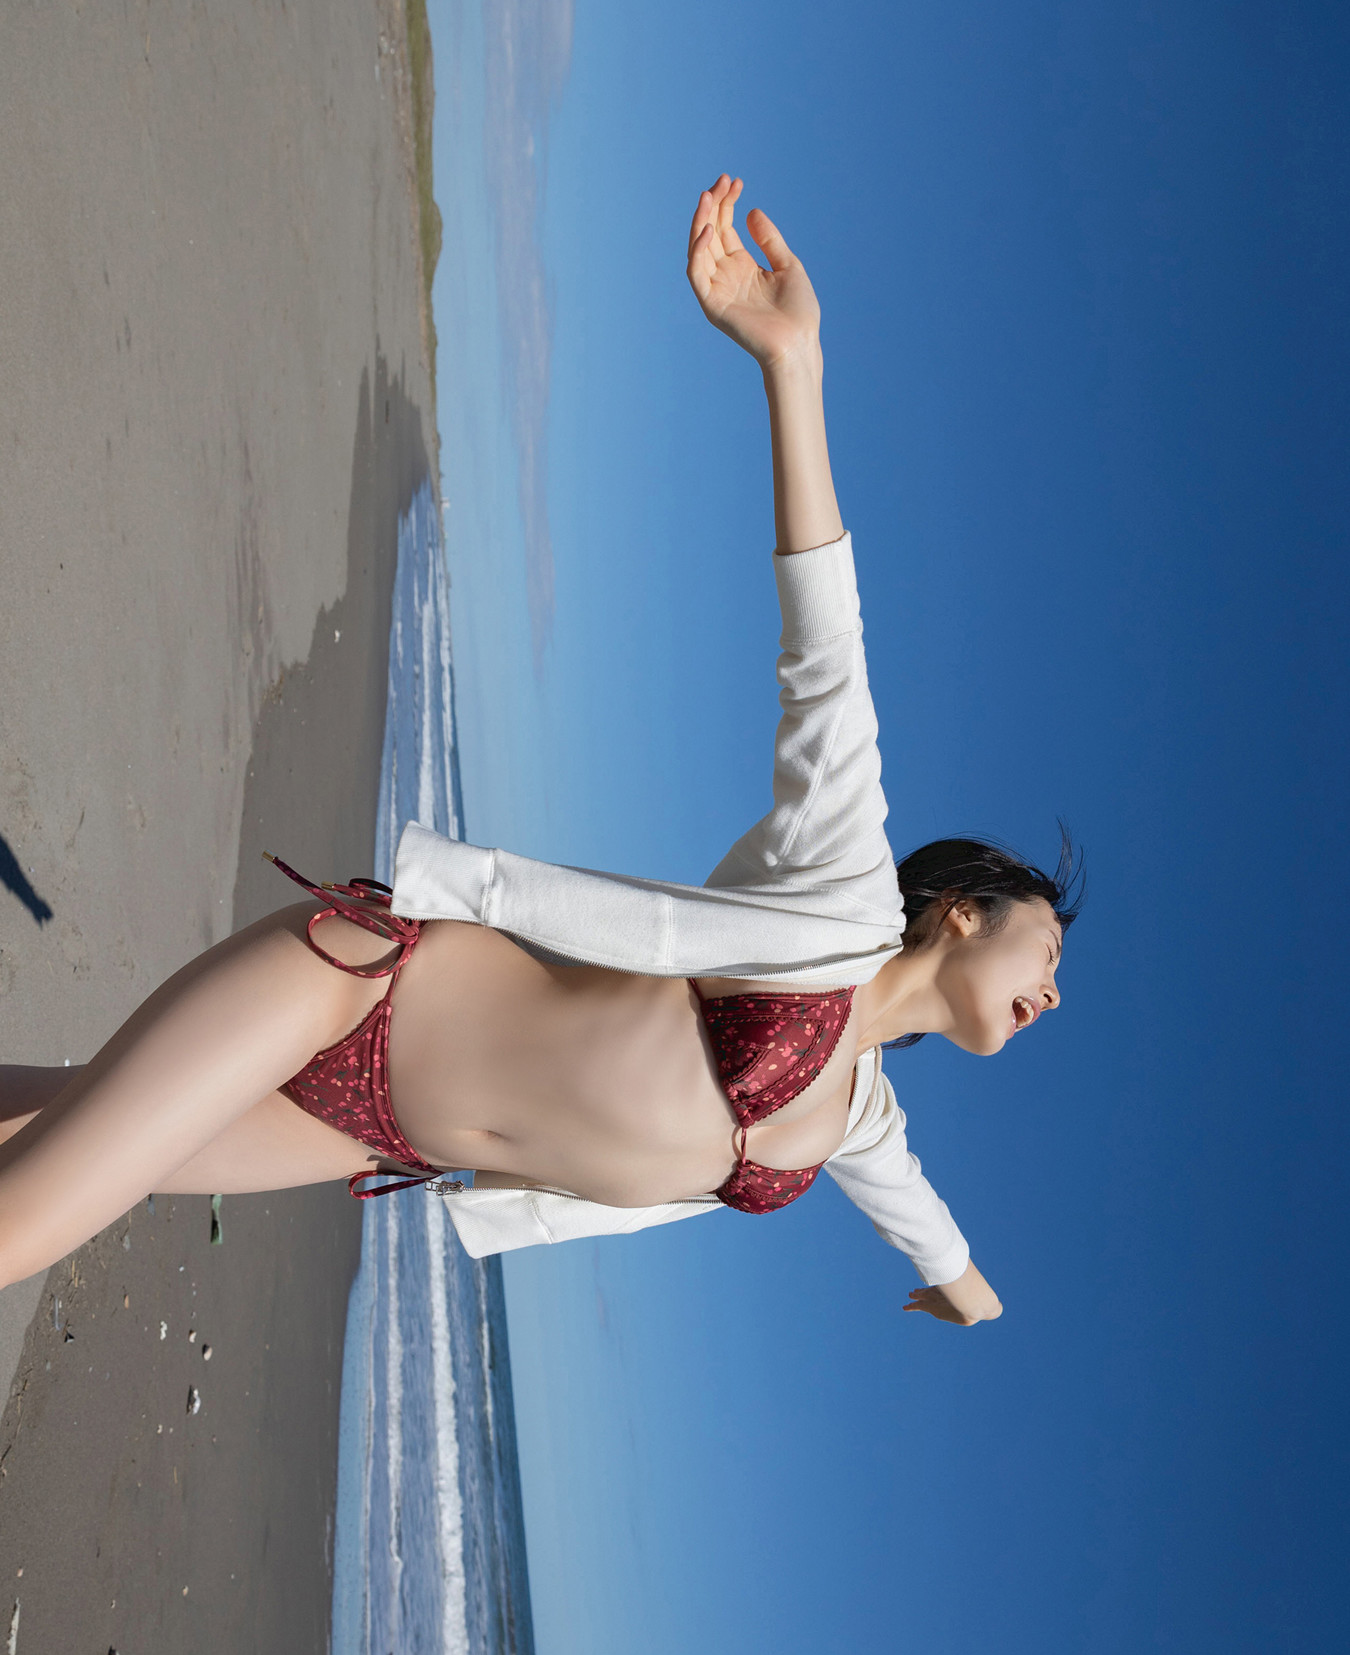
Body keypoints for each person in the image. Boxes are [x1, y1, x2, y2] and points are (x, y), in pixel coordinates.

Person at [0, 176, 1079, 1325]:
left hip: (372, 1132)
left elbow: (916, 1214)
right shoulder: (841, 889)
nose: (1053, 993)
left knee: (43, 1122)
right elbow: (829, 652)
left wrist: (968, 1290)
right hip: (359, 990)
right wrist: (792, 365)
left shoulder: (860, 1119)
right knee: (24, 1221)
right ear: (964, 910)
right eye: (1048, 950)